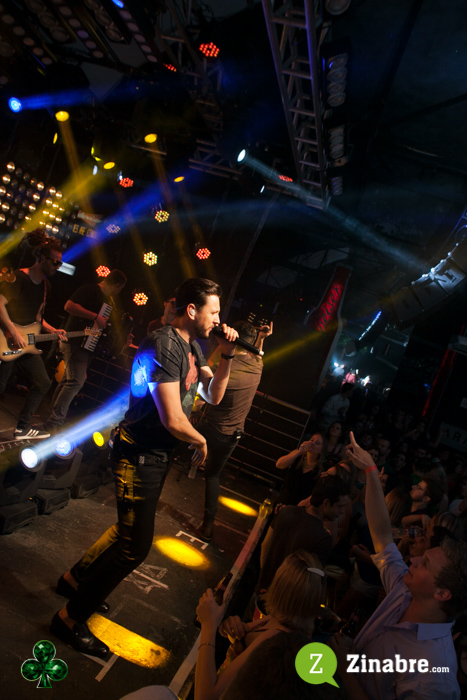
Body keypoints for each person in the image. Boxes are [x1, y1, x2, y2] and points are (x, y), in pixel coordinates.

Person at [50, 277, 238, 658]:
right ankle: (71, 618)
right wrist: (200, 441)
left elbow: (213, 395)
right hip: (138, 456)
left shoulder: (193, 347)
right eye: (214, 311)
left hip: (154, 455)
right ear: (192, 310)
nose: (219, 319)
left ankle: (75, 580)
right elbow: (172, 417)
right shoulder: (164, 343)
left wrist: (228, 355)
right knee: (134, 548)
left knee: (127, 532)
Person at [332, 431, 467, 700]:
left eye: (425, 564)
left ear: (442, 593)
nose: (414, 559)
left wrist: (345, 670)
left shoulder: (434, 675)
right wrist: (371, 470)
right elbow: (383, 536)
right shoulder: (404, 590)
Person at [194, 550, 327, 700]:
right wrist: (233, 628)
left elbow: (206, 697)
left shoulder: (274, 639)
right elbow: (245, 646)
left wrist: (208, 625)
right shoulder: (280, 623)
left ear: (279, 587)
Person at [193, 320, 273, 541]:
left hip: (211, 429)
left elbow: (208, 392)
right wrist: (261, 338)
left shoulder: (226, 368)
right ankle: (208, 525)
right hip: (233, 435)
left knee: (173, 437)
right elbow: (257, 352)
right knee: (212, 475)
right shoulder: (257, 364)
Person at [0, 236, 66, 439]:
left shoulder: (46, 287)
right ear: (41, 258)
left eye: (60, 263)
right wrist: (13, 331)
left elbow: (37, 317)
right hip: (6, 340)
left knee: (43, 382)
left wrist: (53, 330)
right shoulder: (19, 278)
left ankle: (22, 427)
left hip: (26, 343)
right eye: (54, 262)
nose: (57, 267)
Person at [45, 269, 127, 430]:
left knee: (68, 381)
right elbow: (69, 306)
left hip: (87, 345)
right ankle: (55, 421)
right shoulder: (90, 289)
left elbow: (106, 325)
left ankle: (52, 418)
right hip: (74, 340)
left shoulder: (109, 301)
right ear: (117, 285)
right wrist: (95, 317)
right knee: (76, 381)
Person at [258, 476, 349, 595]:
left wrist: (266, 577)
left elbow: (265, 545)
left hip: (263, 589)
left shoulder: (286, 511)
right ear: (326, 503)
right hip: (284, 599)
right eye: (340, 506)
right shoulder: (323, 538)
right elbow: (309, 581)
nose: (342, 511)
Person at [274, 432, 326, 508]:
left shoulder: (320, 470)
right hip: (283, 500)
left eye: (317, 443)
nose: (312, 443)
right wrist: (299, 452)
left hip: (298, 507)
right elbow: (279, 464)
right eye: (312, 440)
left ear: (322, 450)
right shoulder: (298, 455)